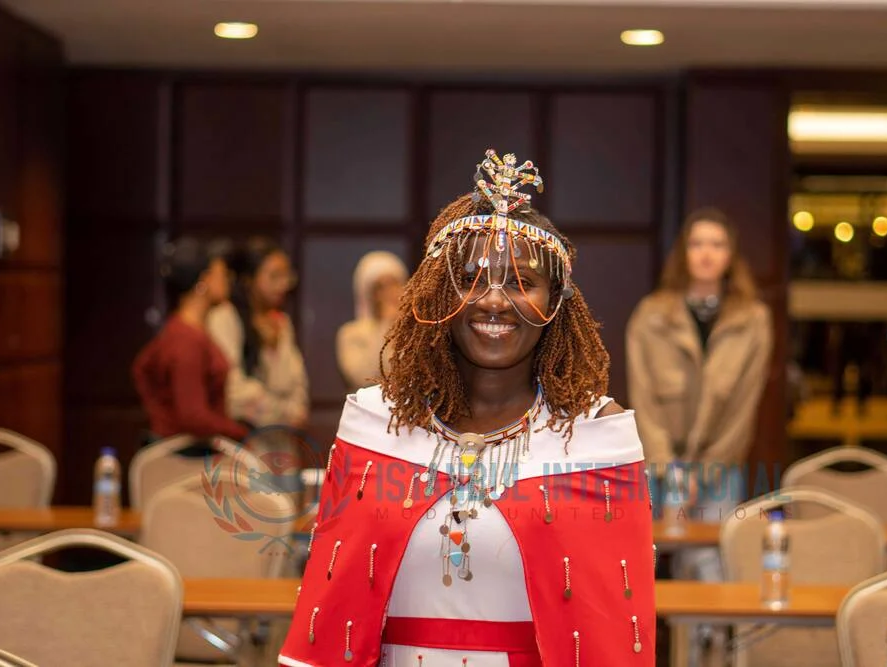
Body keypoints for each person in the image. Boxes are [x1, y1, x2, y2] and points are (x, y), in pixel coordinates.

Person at [278, 149, 656, 666]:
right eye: (472, 277)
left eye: (522, 281)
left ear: (555, 301)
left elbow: (610, 627)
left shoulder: (595, 435)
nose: (495, 300)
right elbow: (332, 607)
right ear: (441, 293)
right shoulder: (374, 423)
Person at [627, 207, 772, 581]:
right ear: (683, 253)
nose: (706, 253)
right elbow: (643, 400)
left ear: (731, 255)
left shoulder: (752, 320)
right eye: (697, 244)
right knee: (640, 568)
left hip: (720, 465)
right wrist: (670, 468)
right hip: (659, 463)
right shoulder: (650, 315)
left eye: (717, 244)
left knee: (711, 568)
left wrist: (705, 469)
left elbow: (743, 408)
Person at [132, 237, 249, 442]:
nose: (228, 280)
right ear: (203, 281)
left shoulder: (182, 332)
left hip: (195, 448)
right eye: (221, 273)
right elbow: (193, 416)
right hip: (190, 454)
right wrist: (241, 433)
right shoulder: (186, 339)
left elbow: (141, 368)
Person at [206, 237, 309, 429]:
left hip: (282, 434)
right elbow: (233, 390)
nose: (283, 285)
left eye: (286, 276)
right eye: (274, 276)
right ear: (249, 279)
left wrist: (274, 348)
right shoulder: (225, 317)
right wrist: (283, 413)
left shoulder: (282, 323)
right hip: (243, 434)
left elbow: (296, 382)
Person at [335, 250, 408, 392]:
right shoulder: (351, 333)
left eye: (394, 284)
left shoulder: (415, 331)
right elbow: (362, 377)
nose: (390, 292)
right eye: (381, 287)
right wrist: (385, 326)